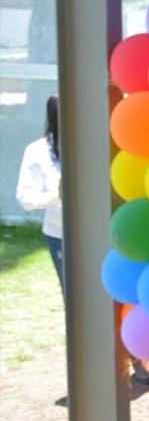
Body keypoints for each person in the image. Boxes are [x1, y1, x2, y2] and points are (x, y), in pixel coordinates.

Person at [16, 96, 63, 292]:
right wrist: (57, 196)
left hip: (102, 230)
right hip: (59, 234)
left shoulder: (95, 146)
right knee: (74, 294)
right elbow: (24, 197)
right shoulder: (37, 151)